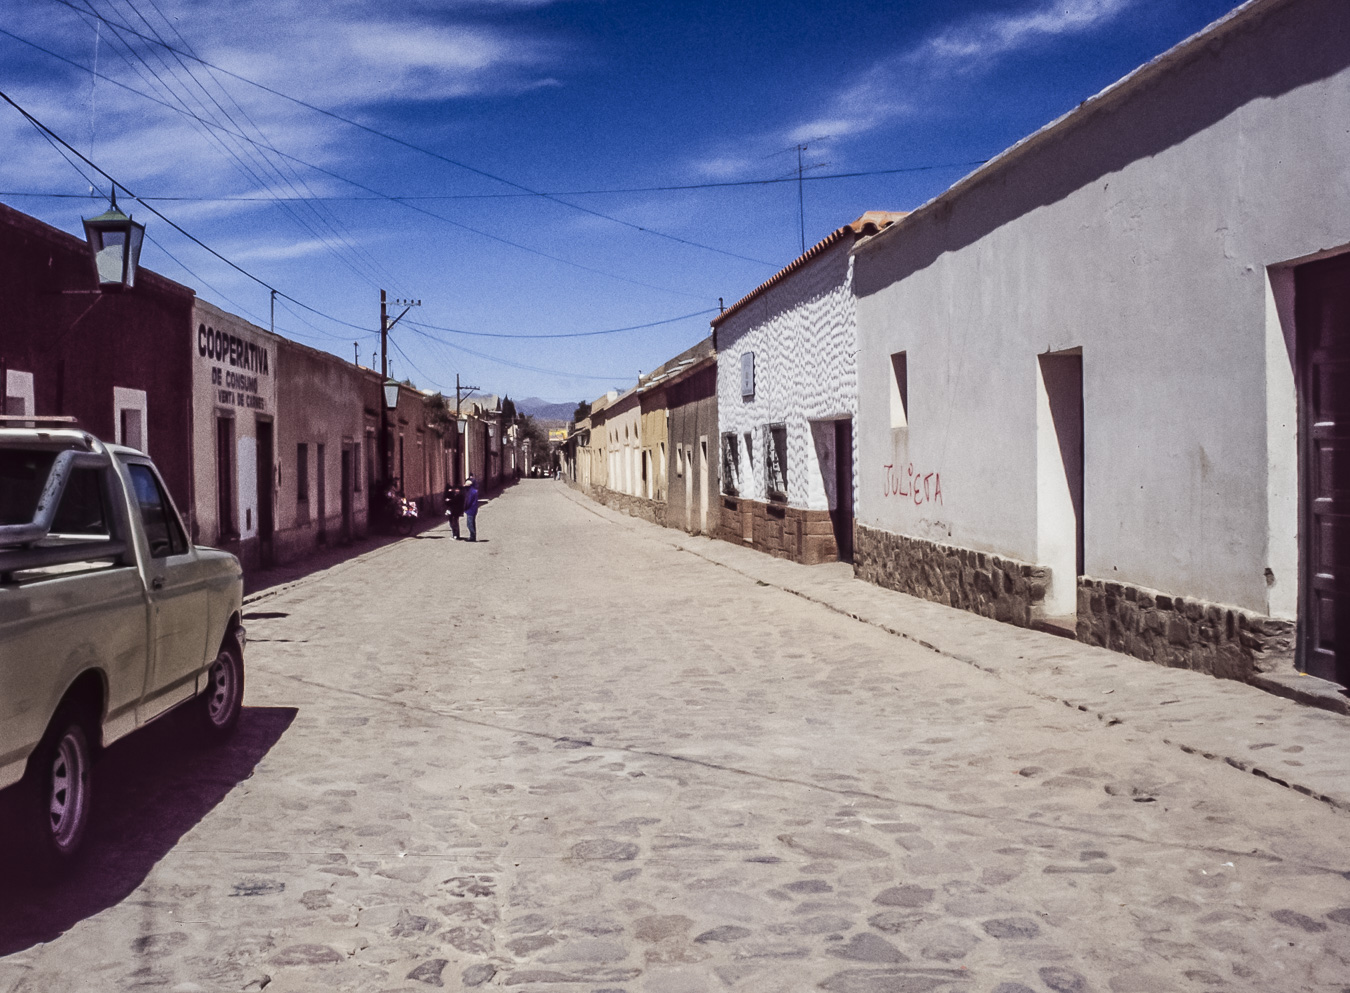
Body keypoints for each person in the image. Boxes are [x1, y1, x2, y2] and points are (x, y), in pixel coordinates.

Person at [463, 476, 480, 542]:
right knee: (472, 523)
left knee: (469, 524)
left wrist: (465, 507)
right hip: (473, 509)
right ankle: (473, 536)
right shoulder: (473, 491)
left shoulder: (471, 492)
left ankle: (472, 537)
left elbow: (468, 501)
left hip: (471, 509)